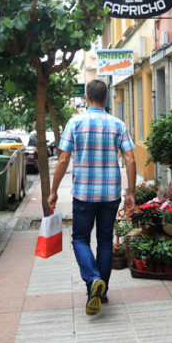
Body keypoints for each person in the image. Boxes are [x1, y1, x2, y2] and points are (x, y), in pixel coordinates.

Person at [48, 79, 136, 316]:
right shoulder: (118, 124)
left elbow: (64, 160)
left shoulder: (75, 122)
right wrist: (132, 193)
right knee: (105, 241)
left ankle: (93, 280)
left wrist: (54, 190)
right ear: (106, 98)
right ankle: (101, 291)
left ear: (86, 98)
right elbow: (130, 159)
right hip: (110, 195)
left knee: (80, 239)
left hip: (84, 194)